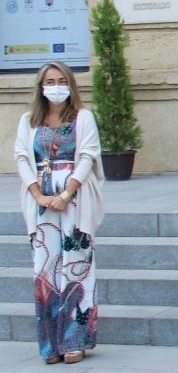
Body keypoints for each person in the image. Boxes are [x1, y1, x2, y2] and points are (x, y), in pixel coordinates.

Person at [13, 61, 105, 365]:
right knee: (46, 271)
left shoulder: (83, 118)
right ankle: (50, 345)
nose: (55, 86)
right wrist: (38, 194)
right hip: (40, 204)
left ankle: (74, 342)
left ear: (70, 84)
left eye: (61, 80)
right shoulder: (29, 120)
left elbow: (89, 156)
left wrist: (66, 194)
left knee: (76, 268)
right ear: (41, 87)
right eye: (49, 81)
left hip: (75, 203)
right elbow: (22, 158)